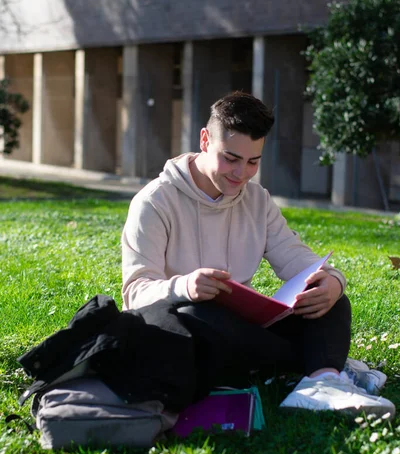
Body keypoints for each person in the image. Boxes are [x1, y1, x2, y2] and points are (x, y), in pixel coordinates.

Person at [121, 91, 394, 418]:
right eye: (231, 158)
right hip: (184, 329)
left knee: (329, 299)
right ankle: (324, 366)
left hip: (242, 332)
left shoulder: (257, 201)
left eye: (253, 162)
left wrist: (334, 281)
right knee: (197, 315)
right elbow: (135, 294)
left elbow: (300, 263)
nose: (241, 174)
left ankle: (321, 382)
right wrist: (185, 286)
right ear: (205, 140)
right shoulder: (154, 202)